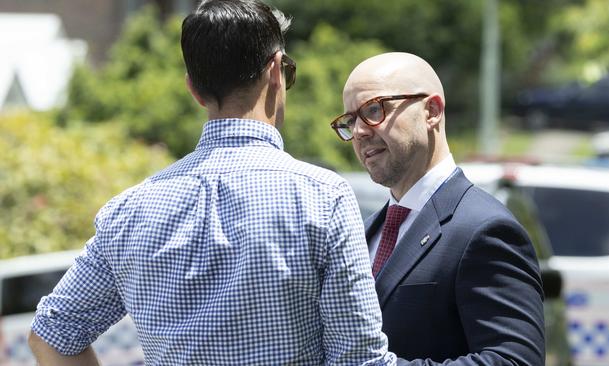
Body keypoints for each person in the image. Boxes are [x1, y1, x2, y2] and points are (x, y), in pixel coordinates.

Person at [28, 1, 396, 365]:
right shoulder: (323, 197)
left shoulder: (127, 212)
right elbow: (359, 359)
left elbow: (51, 336)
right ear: (275, 72)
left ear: (194, 89)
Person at [330, 52, 545, 365]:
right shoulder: (364, 231)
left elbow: (514, 361)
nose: (360, 131)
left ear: (431, 111)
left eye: (374, 110)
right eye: (351, 120)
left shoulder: (485, 229)